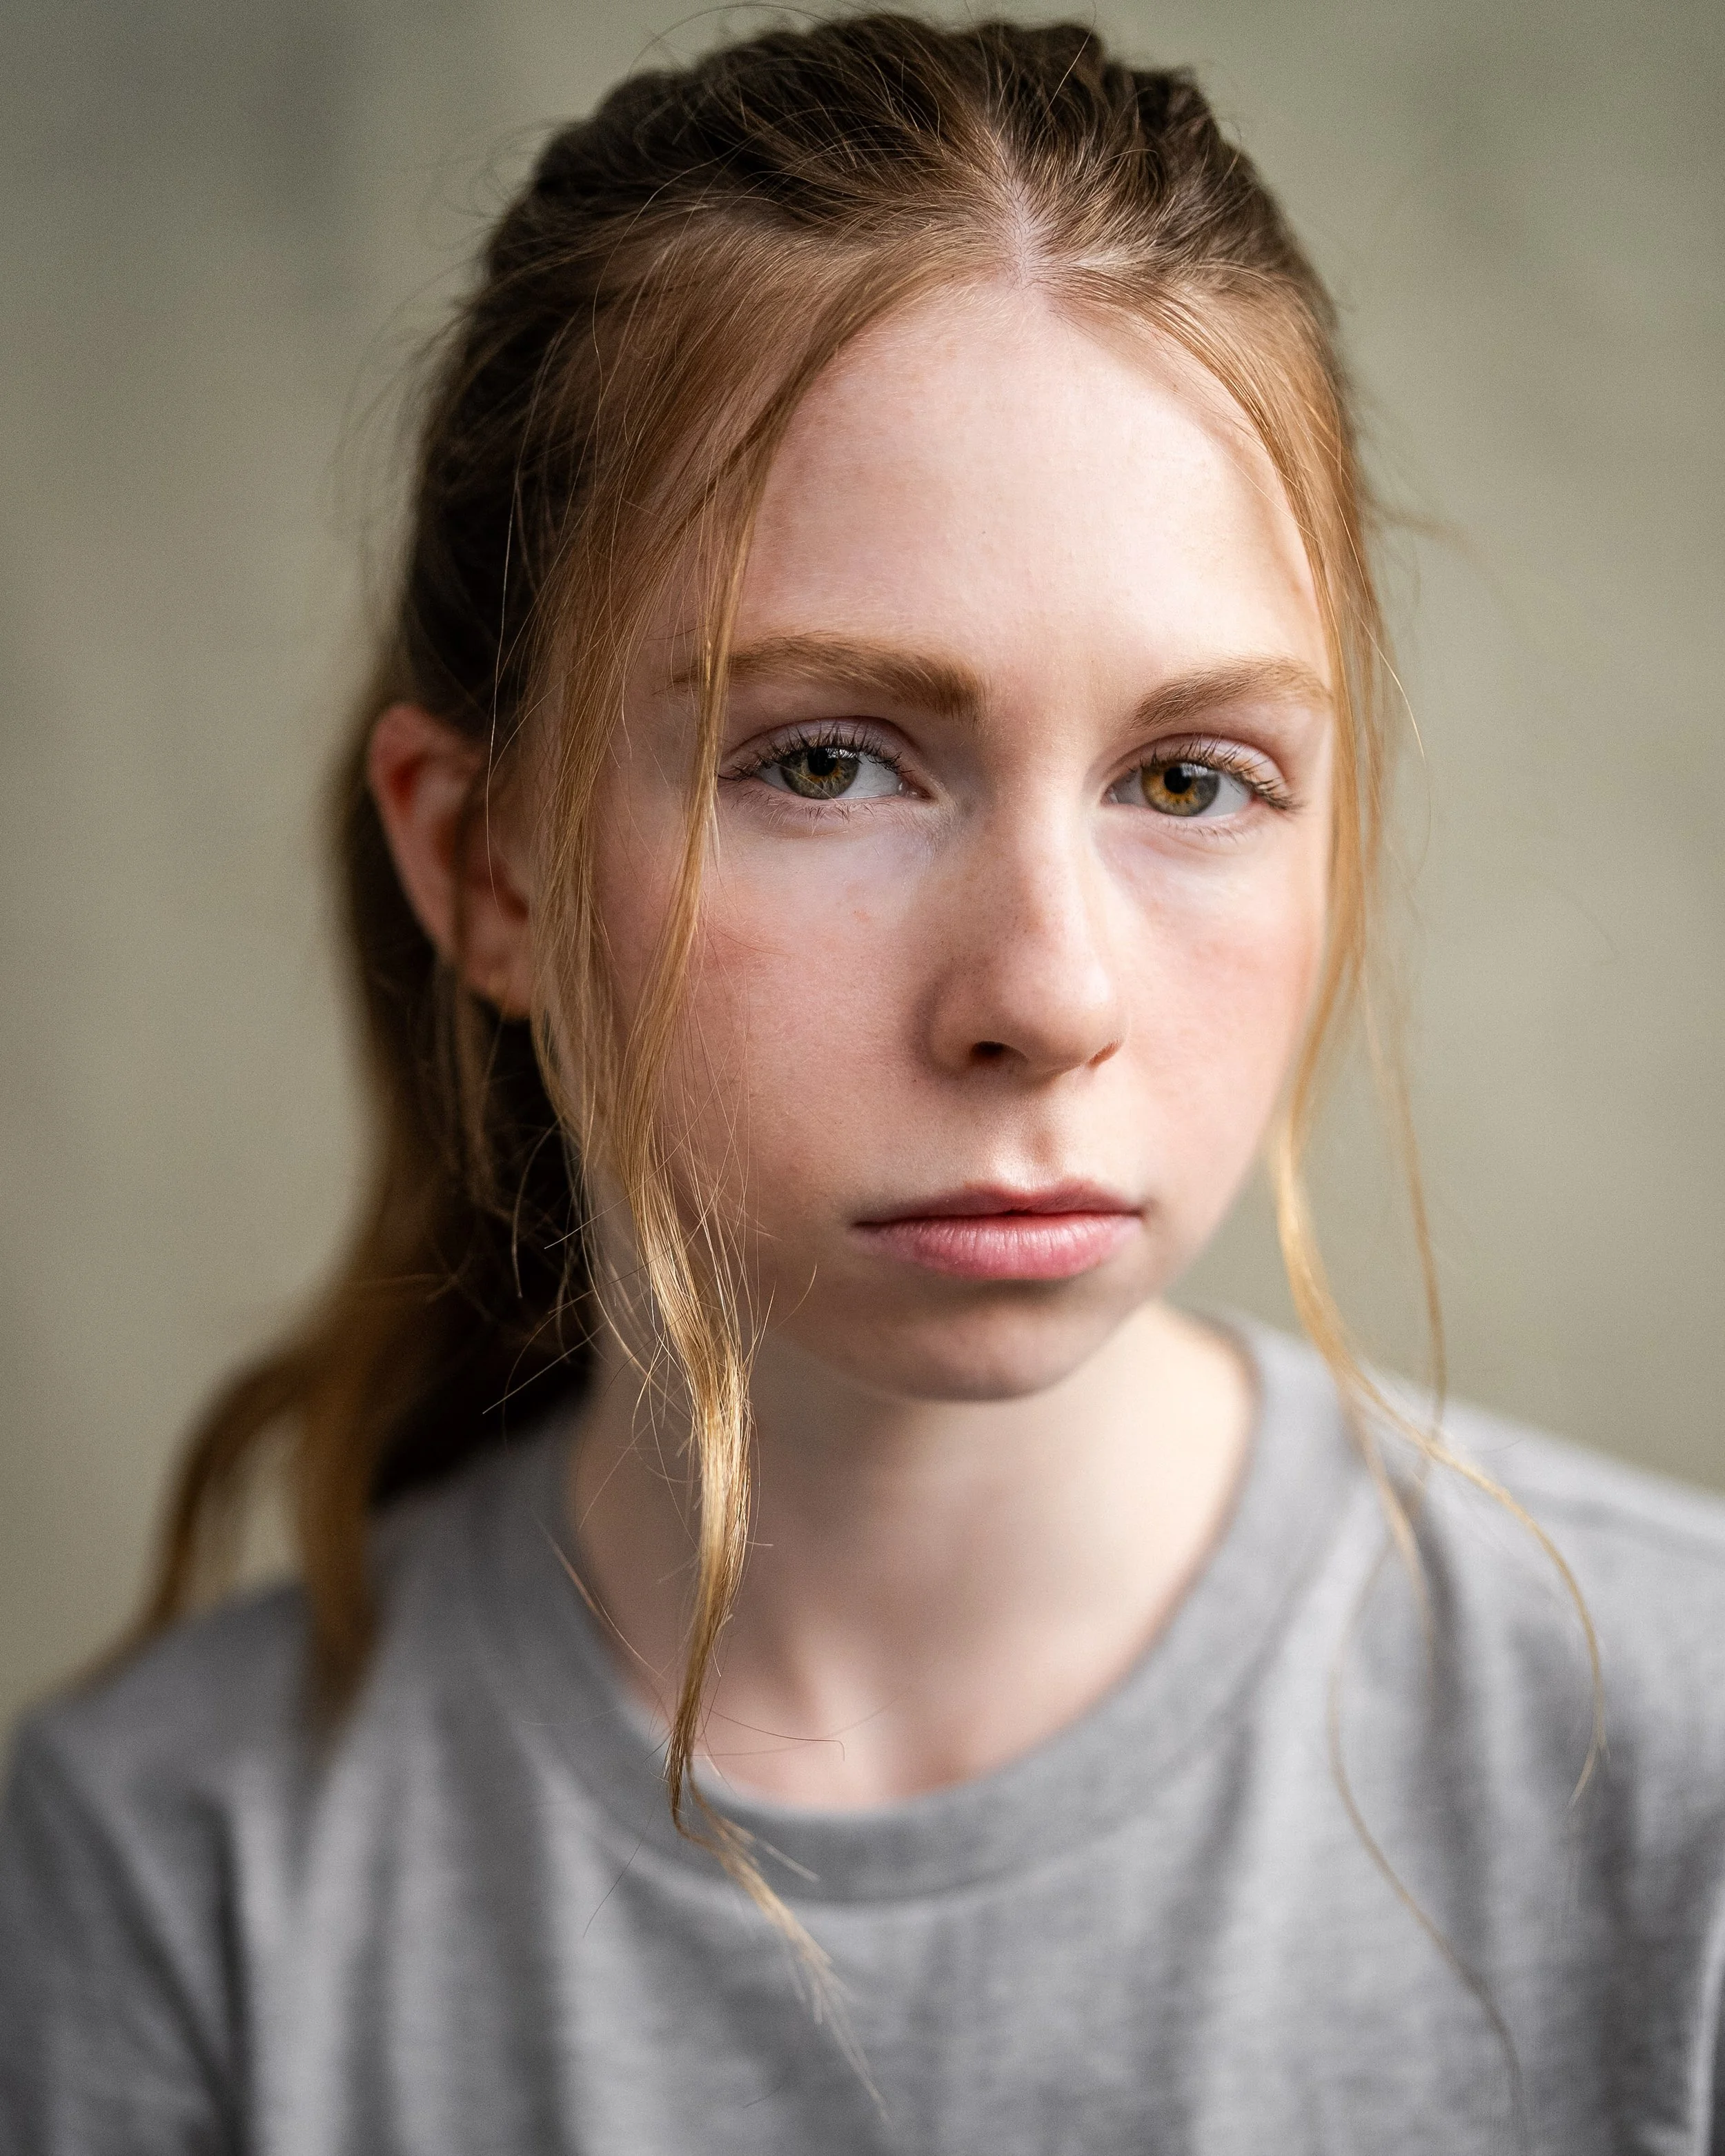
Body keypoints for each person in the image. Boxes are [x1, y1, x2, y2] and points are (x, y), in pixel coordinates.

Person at [3, 14, 1723, 2153]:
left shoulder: (1682, 1775)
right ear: (483, 858)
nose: (1047, 993)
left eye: (1191, 777)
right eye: (823, 759)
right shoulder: (169, 1876)